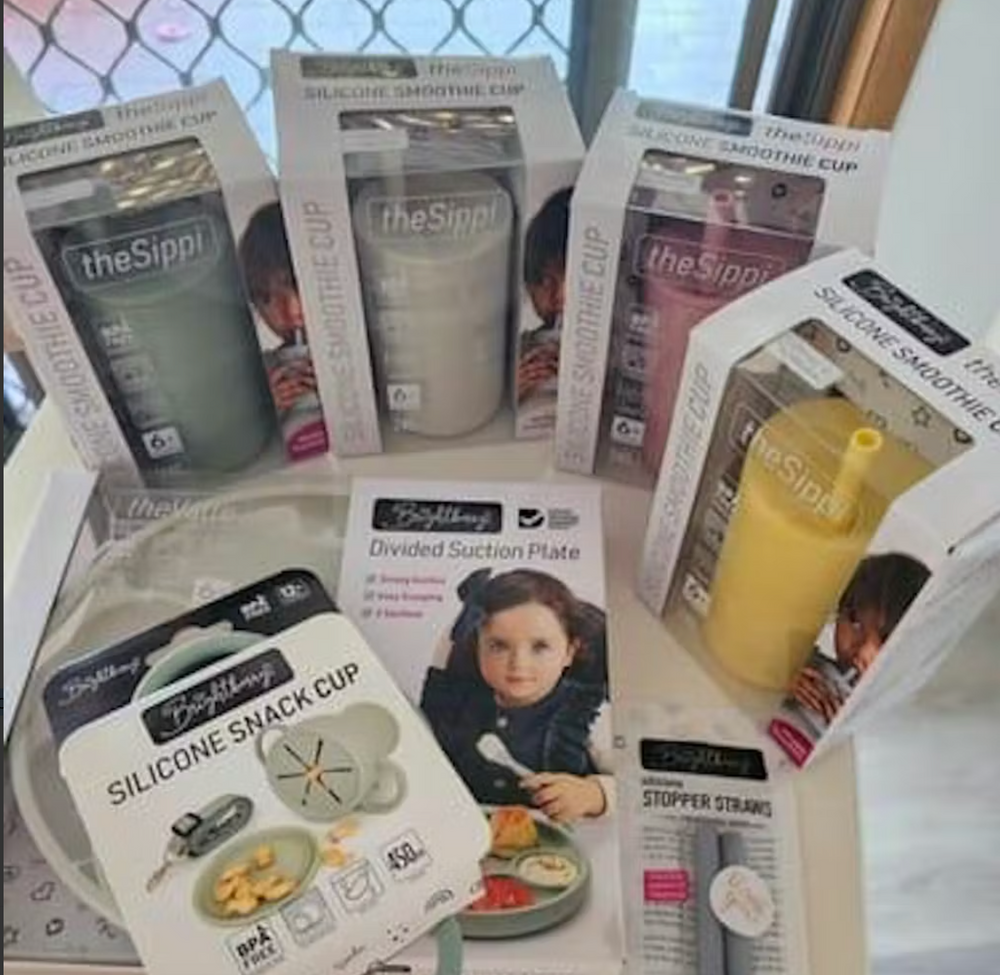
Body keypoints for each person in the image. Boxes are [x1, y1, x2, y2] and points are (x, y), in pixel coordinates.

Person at [420, 568, 612, 823]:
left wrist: (593, 794)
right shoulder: (454, 704)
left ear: (569, 651)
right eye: (499, 646)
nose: (518, 663)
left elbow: (635, 782)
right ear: (477, 648)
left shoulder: (586, 713)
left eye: (540, 647)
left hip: (556, 844)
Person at [789, 552, 931, 725]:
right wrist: (780, 681)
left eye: (887, 640)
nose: (863, 650)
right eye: (854, 622)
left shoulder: (901, 722)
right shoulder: (804, 666)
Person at [238, 202, 318, 417]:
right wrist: (264, 410)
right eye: (265, 298)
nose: (290, 312)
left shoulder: (372, 347)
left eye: (297, 285)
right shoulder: (259, 374)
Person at [517, 187, 571, 404]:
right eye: (544, 281)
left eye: (570, 278)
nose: (558, 296)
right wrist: (513, 390)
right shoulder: (522, 347)